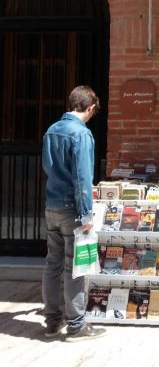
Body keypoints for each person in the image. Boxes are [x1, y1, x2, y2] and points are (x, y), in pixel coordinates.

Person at [41, 85, 106, 342]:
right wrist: (87, 213)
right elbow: (82, 177)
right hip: (72, 208)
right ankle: (77, 325)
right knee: (73, 267)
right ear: (89, 108)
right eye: (93, 112)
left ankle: (51, 321)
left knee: (52, 264)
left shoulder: (51, 130)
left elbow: (49, 167)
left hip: (52, 205)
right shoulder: (82, 134)